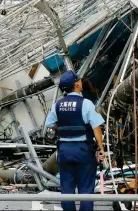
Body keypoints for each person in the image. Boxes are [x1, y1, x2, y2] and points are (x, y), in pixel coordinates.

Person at [45, 70, 105, 211]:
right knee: (86, 191)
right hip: (83, 151)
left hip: (64, 151)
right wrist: (101, 149)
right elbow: (96, 128)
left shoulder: (58, 105)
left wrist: (63, 129)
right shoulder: (86, 104)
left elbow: (49, 123)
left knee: (66, 191)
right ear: (76, 85)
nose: (80, 82)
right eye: (78, 80)